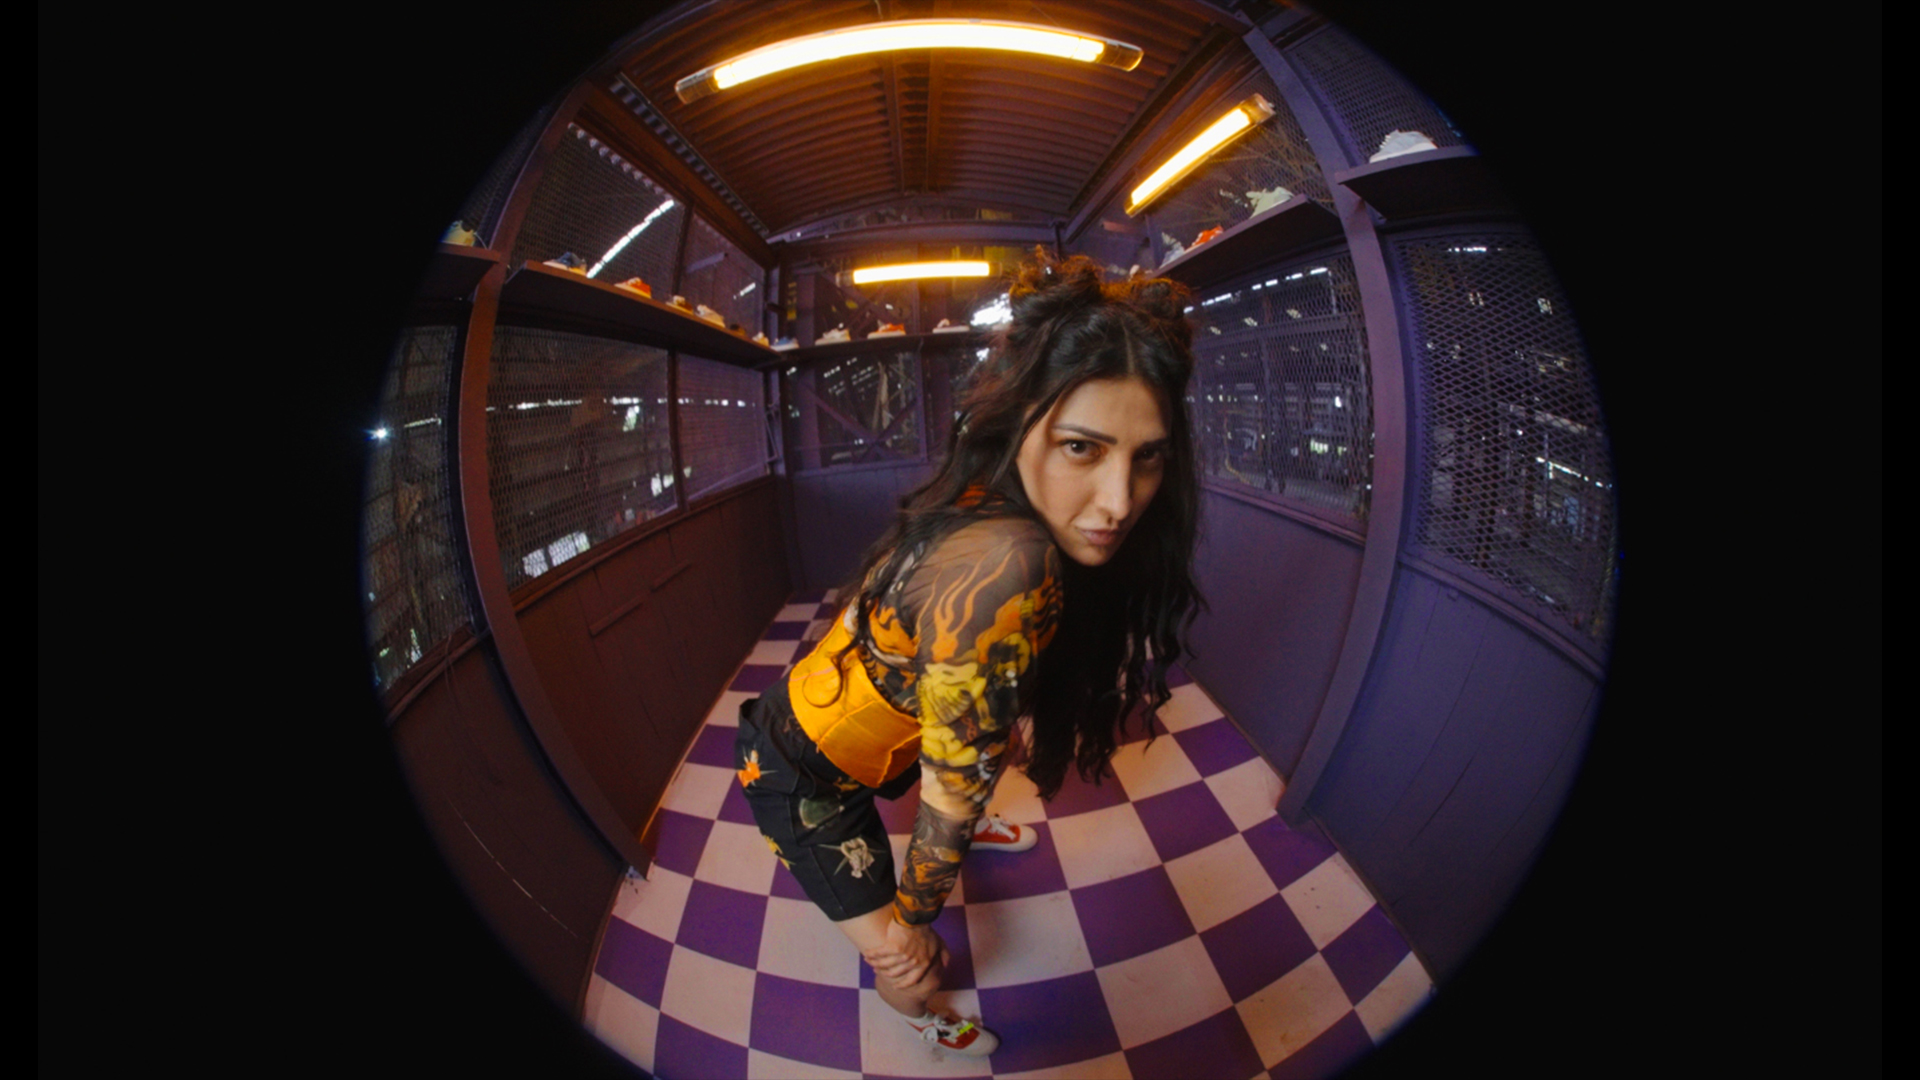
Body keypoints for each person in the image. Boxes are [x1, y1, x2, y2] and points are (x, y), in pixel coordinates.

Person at [734, 250, 1204, 1056]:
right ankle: (917, 1018)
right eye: (1083, 448)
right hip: (797, 777)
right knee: (911, 961)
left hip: (856, 724)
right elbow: (954, 794)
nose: (1119, 502)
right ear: (1021, 422)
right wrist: (914, 919)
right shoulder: (1002, 566)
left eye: (1147, 456)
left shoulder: (996, 499)